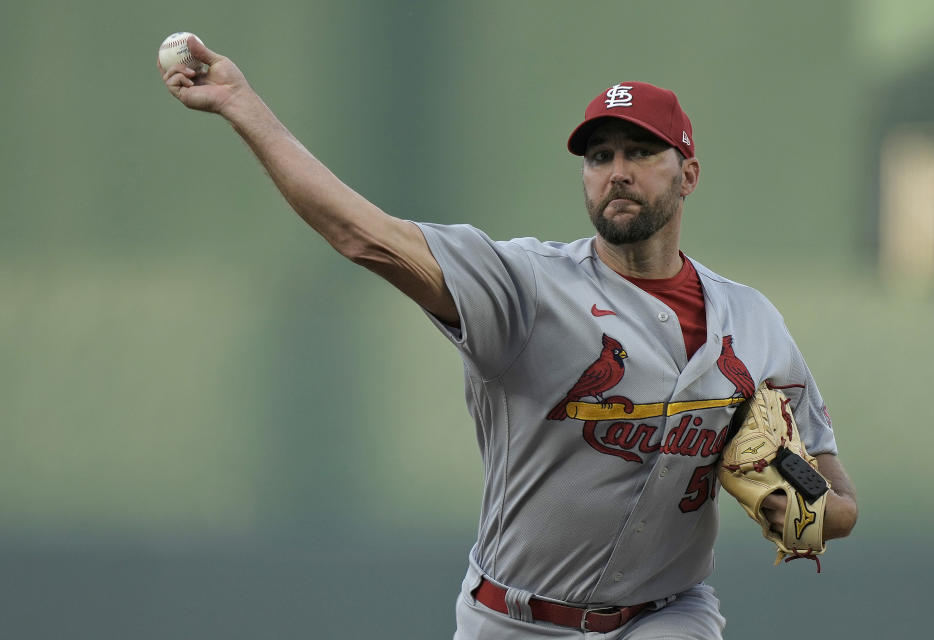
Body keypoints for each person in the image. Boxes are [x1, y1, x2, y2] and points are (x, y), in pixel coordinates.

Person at [159, 37, 858, 639]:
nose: (616, 170)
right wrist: (242, 106)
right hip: (514, 619)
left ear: (689, 174)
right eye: (599, 155)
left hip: (667, 614)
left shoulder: (753, 322)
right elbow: (362, 235)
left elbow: (837, 502)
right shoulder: (526, 286)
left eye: (642, 152)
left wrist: (794, 502)